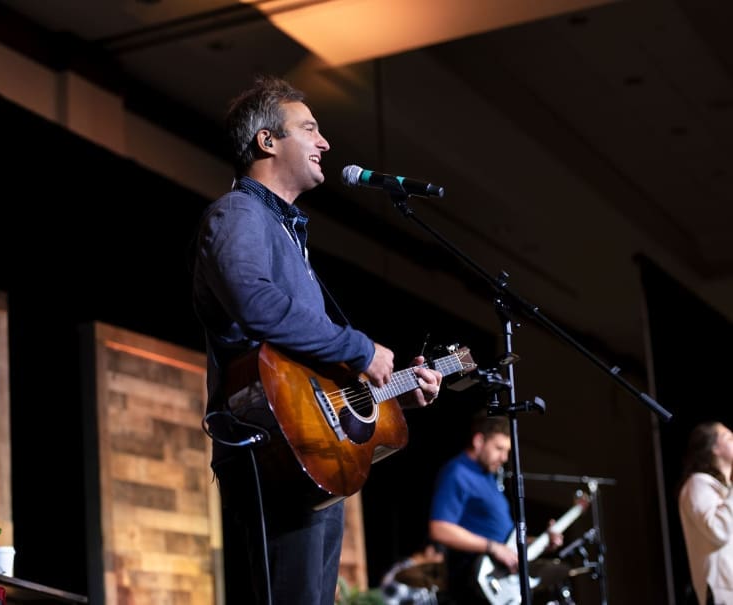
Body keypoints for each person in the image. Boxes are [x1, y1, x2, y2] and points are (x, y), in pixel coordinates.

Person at [191, 75, 444, 605]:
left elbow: (306, 363)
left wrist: (394, 383)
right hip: (274, 451)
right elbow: (255, 305)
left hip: (313, 451)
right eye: (309, 128)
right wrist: (360, 349)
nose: (325, 143)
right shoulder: (238, 213)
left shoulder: (284, 230)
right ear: (267, 141)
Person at [428, 411, 563, 604]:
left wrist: (541, 542)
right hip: (472, 586)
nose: (504, 458)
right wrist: (492, 548)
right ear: (478, 441)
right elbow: (439, 528)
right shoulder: (457, 472)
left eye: (507, 451)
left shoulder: (489, 479)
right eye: (499, 448)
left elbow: (506, 543)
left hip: (499, 584)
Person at [678, 421, 733, 605]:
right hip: (723, 593)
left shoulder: (726, 489)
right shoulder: (697, 484)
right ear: (714, 448)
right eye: (729, 438)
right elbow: (718, 531)